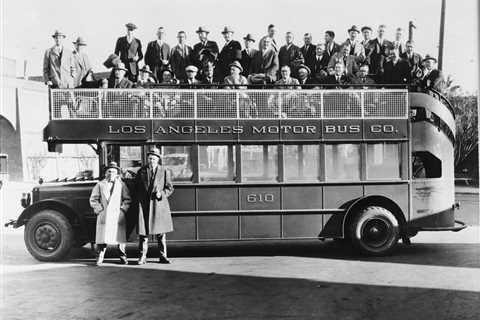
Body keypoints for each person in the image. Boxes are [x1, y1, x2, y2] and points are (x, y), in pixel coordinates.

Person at [135, 147, 174, 264]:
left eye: (153, 158)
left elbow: (170, 188)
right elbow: (136, 188)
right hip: (145, 206)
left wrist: (161, 194)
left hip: (159, 206)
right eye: (149, 158)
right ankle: (142, 257)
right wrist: (140, 200)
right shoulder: (141, 171)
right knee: (143, 234)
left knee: (161, 233)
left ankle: (163, 256)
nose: (151, 160)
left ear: (158, 159)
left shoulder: (164, 171)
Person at [89, 161, 131, 266]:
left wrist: (122, 210)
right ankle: (100, 258)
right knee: (102, 238)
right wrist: (99, 210)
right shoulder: (100, 185)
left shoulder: (121, 185)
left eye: (113, 172)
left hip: (117, 215)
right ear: (105, 173)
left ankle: (122, 256)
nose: (111, 174)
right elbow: (93, 199)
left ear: (117, 174)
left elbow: (127, 199)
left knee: (120, 239)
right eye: (109, 171)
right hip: (105, 215)